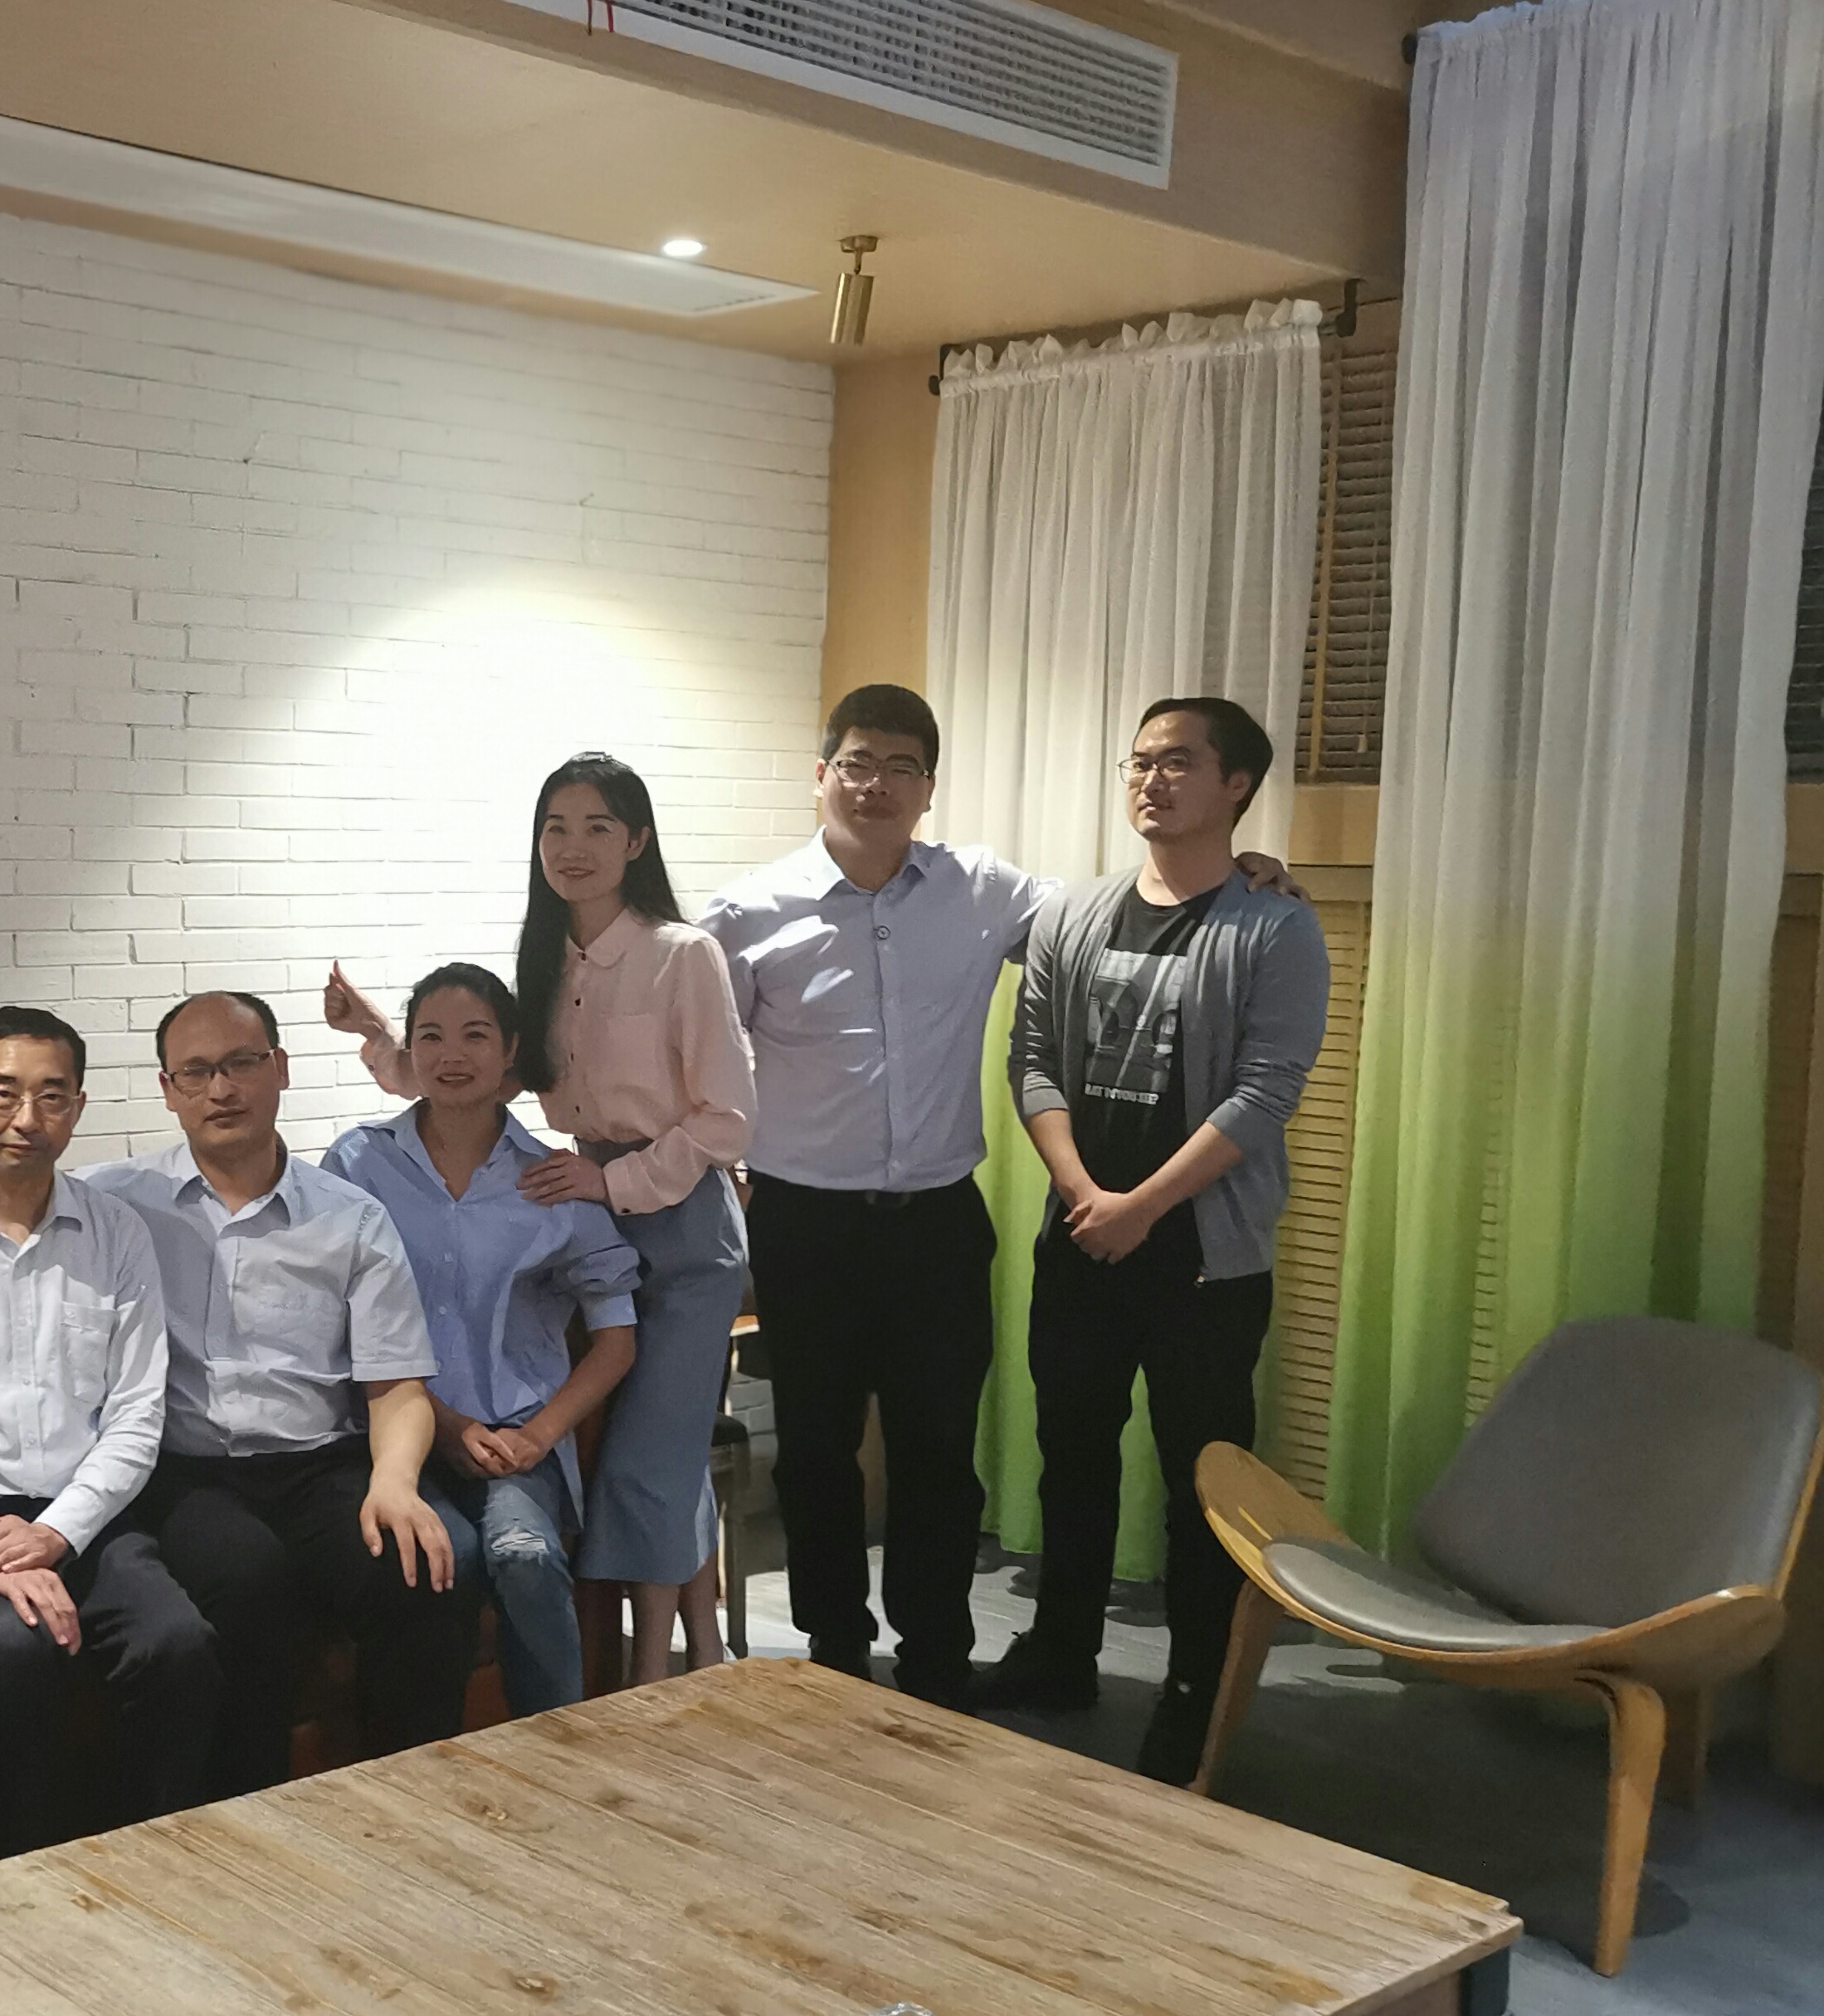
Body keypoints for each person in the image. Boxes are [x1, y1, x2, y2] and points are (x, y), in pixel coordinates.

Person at [696, 684, 1303, 1708]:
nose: (875, 785)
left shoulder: (985, 892)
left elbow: (1133, 910)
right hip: (803, 1223)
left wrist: (1254, 870)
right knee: (814, 1453)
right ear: (821, 774)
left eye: (900, 767)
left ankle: (935, 1654)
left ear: (928, 786)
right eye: (856, 764)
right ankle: (833, 1647)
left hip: (936, 1224)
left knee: (939, 1452)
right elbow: (693, 1056)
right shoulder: (742, 914)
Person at [329, 753, 754, 1684]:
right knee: (650, 1455)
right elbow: (486, 1073)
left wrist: (612, 1181)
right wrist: (378, 1037)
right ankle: (699, 1648)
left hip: (674, 1217)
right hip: (577, 1196)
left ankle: (649, 1673)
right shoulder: (546, 957)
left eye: (597, 826)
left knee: (649, 1456)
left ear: (636, 841)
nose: (573, 847)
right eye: (555, 827)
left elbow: (727, 1119)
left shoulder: (682, 953)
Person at [983, 697, 1328, 1786]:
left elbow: (1264, 1090)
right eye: (1138, 762)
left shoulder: (1275, 926)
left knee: (1201, 1485)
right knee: (1072, 1458)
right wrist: (1085, 1191)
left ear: (1237, 784)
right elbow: (1031, 1057)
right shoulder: (1073, 911)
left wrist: (1142, 1206)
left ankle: (1193, 1692)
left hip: (1204, 1262)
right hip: (1080, 1237)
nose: (1151, 780)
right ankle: (1060, 1653)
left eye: (1178, 762)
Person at [82, 991, 473, 1796]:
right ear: (167, 1090)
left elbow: (396, 1383)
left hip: (319, 1464)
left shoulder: (350, 1218)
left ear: (280, 1069)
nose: (220, 1089)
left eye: (240, 1064)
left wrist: (396, 1483)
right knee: (246, 1577)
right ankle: (250, 1812)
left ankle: (412, 1800)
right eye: (196, 1072)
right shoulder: (114, 1203)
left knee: (430, 1565)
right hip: (184, 1470)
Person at [0, 1006, 217, 1856]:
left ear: (78, 1107)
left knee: (177, 1643)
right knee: (13, 1651)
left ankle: (156, 1861)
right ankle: (13, 1878)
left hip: (81, 1515)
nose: (27, 1118)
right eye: (4, 1093)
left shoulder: (116, 1234)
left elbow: (136, 1416)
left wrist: (55, 1535)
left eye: (52, 1097)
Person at [321, 965, 643, 1717]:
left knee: (524, 1556)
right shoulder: (359, 1164)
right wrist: (443, 1424)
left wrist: (537, 1437)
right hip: (389, 1436)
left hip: (514, 1440)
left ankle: (561, 1745)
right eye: (430, 1036)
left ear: (510, 1051)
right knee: (439, 1561)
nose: (452, 1054)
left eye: (475, 1035)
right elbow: (330, 1321)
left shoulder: (553, 1180)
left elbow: (617, 1340)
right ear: (409, 1049)